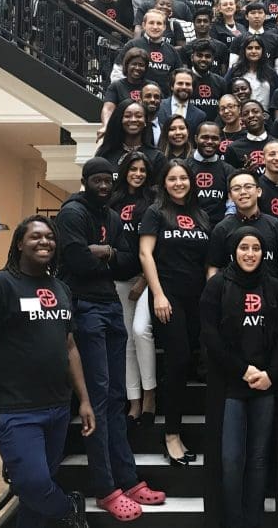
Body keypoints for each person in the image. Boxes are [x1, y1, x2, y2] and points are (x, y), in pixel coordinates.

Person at [0, 215, 92, 528]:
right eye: (35, 237)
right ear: (19, 243)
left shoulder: (60, 288)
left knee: (36, 493)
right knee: (33, 484)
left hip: (57, 405)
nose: (45, 242)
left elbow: (70, 347)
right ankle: (69, 507)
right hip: (14, 407)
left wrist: (84, 399)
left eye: (50, 237)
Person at [56, 159, 166, 520]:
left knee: (117, 397)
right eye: (97, 180)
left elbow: (129, 263)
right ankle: (105, 488)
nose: (104, 186)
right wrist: (105, 256)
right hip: (84, 306)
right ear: (85, 181)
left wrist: (102, 253)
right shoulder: (72, 213)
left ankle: (128, 478)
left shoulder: (114, 217)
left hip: (110, 306)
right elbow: (75, 260)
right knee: (99, 398)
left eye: (108, 180)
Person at [200, 227, 278, 528]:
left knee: (259, 459)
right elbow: (210, 337)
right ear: (233, 251)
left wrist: (271, 375)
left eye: (255, 248)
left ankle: (255, 521)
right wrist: (243, 370)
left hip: (265, 384)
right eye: (243, 248)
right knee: (232, 460)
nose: (250, 254)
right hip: (230, 385)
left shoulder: (275, 287)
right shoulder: (216, 286)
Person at [139, 159, 211, 465]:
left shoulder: (202, 214)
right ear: (163, 183)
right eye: (172, 179)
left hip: (199, 298)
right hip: (169, 297)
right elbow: (145, 253)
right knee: (177, 361)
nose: (179, 183)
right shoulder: (156, 213)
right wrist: (158, 295)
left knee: (199, 360)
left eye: (183, 178)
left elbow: (209, 259)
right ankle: (171, 434)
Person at [110, 153, 157, 427]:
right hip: (118, 279)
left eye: (142, 170)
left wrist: (144, 280)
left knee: (141, 331)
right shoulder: (113, 202)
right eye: (133, 169)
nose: (137, 174)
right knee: (126, 338)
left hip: (145, 279)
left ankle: (150, 394)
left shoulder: (152, 201)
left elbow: (155, 245)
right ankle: (134, 400)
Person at [206, 169, 278, 285]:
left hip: (269, 297)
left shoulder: (276, 226)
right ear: (230, 196)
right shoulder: (222, 229)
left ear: (259, 191)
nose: (243, 192)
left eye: (248, 187)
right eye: (236, 189)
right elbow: (213, 268)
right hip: (231, 296)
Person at [110, 10, 183, 90]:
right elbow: (117, 73)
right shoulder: (132, 45)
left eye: (159, 23)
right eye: (151, 23)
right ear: (144, 25)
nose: (155, 27)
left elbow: (179, 77)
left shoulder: (172, 51)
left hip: (162, 99)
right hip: (134, 98)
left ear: (164, 27)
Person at [95, 98, 166, 180]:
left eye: (138, 116)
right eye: (127, 116)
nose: (133, 120)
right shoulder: (106, 154)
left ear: (145, 121)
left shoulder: (157, 157)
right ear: (120, 120)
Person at [189, 122, 236, 227]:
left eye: (214, 138)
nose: (209, 142)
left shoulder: (228, 170)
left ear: (220, 140)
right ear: (196, 139)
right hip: (189, 227)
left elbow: (233, 201)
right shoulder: (184, 168)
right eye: (205, 137)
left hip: (219, 229)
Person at [226, 37, 278, 113]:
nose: (254, 51)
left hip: (265, 118)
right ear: (244, 50)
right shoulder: (234, 71)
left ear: (263, 50)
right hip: (240, 117)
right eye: (250, 48)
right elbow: (225, 92)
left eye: (257, 48)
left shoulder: (271, 73)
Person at [101, 49, 152, 130]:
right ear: (126, 65)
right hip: (122, 129)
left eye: (141, 65)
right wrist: (106, 126)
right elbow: (108, 108)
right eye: (134, 64)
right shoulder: (116, 86)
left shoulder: (152, 86)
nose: (137, 68)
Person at [156, 68, 206, 136]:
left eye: (188, 84)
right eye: (180, 83)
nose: (184, 87)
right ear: (172, 86)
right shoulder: (158, 107)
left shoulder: (200, 115)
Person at [185, 39, 226, 121]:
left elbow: (224, 109)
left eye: (207, 56)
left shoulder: (220, 82)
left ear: (213, 59)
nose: (203, 59)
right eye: (199, 55)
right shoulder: (184, 80)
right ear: (192, 57)